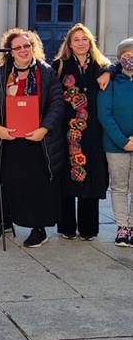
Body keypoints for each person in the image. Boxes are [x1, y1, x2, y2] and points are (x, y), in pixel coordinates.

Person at [0, 28, 65, 248]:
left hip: (37, 140)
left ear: (33, 47)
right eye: (18, 47)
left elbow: (57, 104)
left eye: (27, 46)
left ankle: (39, 229)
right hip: (7, 139)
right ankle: (3, 221)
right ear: (10, 51)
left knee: (36, 185)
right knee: (4, 180)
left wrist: (44, 129)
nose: (23, 50)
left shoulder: (46, 73)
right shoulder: (1, 74)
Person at [52, 23, 111, 241]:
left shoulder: (101, 65)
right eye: (76, 40)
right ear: (69, 43)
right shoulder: (59, 65)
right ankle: (66, 226)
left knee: (91, 176)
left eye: (84, 39)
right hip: (67, 130)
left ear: (90, 42)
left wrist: (108, 71)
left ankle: (88, 228)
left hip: (93, 131)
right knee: (67, 176)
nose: (80, 43)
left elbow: (116, 67)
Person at [97, 38, 133, 247]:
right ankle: (122, 227)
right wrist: (122, 141)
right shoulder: (109, 81)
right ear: (119, 59)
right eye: (126, 56)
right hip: (115, 145)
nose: (130, 60)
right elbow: (105, 113)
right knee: (119, 187)